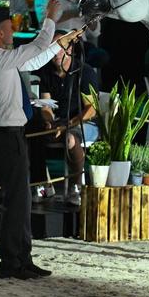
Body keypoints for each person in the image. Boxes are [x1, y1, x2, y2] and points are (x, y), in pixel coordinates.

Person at [0, 0, 82, 280]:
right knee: (16, 203)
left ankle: (22, 258)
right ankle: (11, 263)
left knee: (21, 203)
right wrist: (50, 17)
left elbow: (35, 58)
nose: (13, 31)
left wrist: (60, 44)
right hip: (5, 138)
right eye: (9, 28)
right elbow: (35, 47)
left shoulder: (2, 57)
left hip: (10, 136)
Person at [35, 31, 99, 206]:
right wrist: (49, 122)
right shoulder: (45, 73)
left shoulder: (84, 72)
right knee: (31, 136)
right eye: (52, 48)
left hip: (83, 123)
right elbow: (46, 105)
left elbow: (91, 110)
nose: (57, 53)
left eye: (60, 47)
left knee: (70, 138)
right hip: (59, 123)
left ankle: (75, 187)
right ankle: (44, 185)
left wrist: (68, 125)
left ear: (70, 48)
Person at [35, 0, 108, 68]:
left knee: (101, 56)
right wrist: (75, 12)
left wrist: (90, 17)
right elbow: (43, 20)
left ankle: (84, 77)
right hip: (56, 42)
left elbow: (95, 33)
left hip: (80, 43)